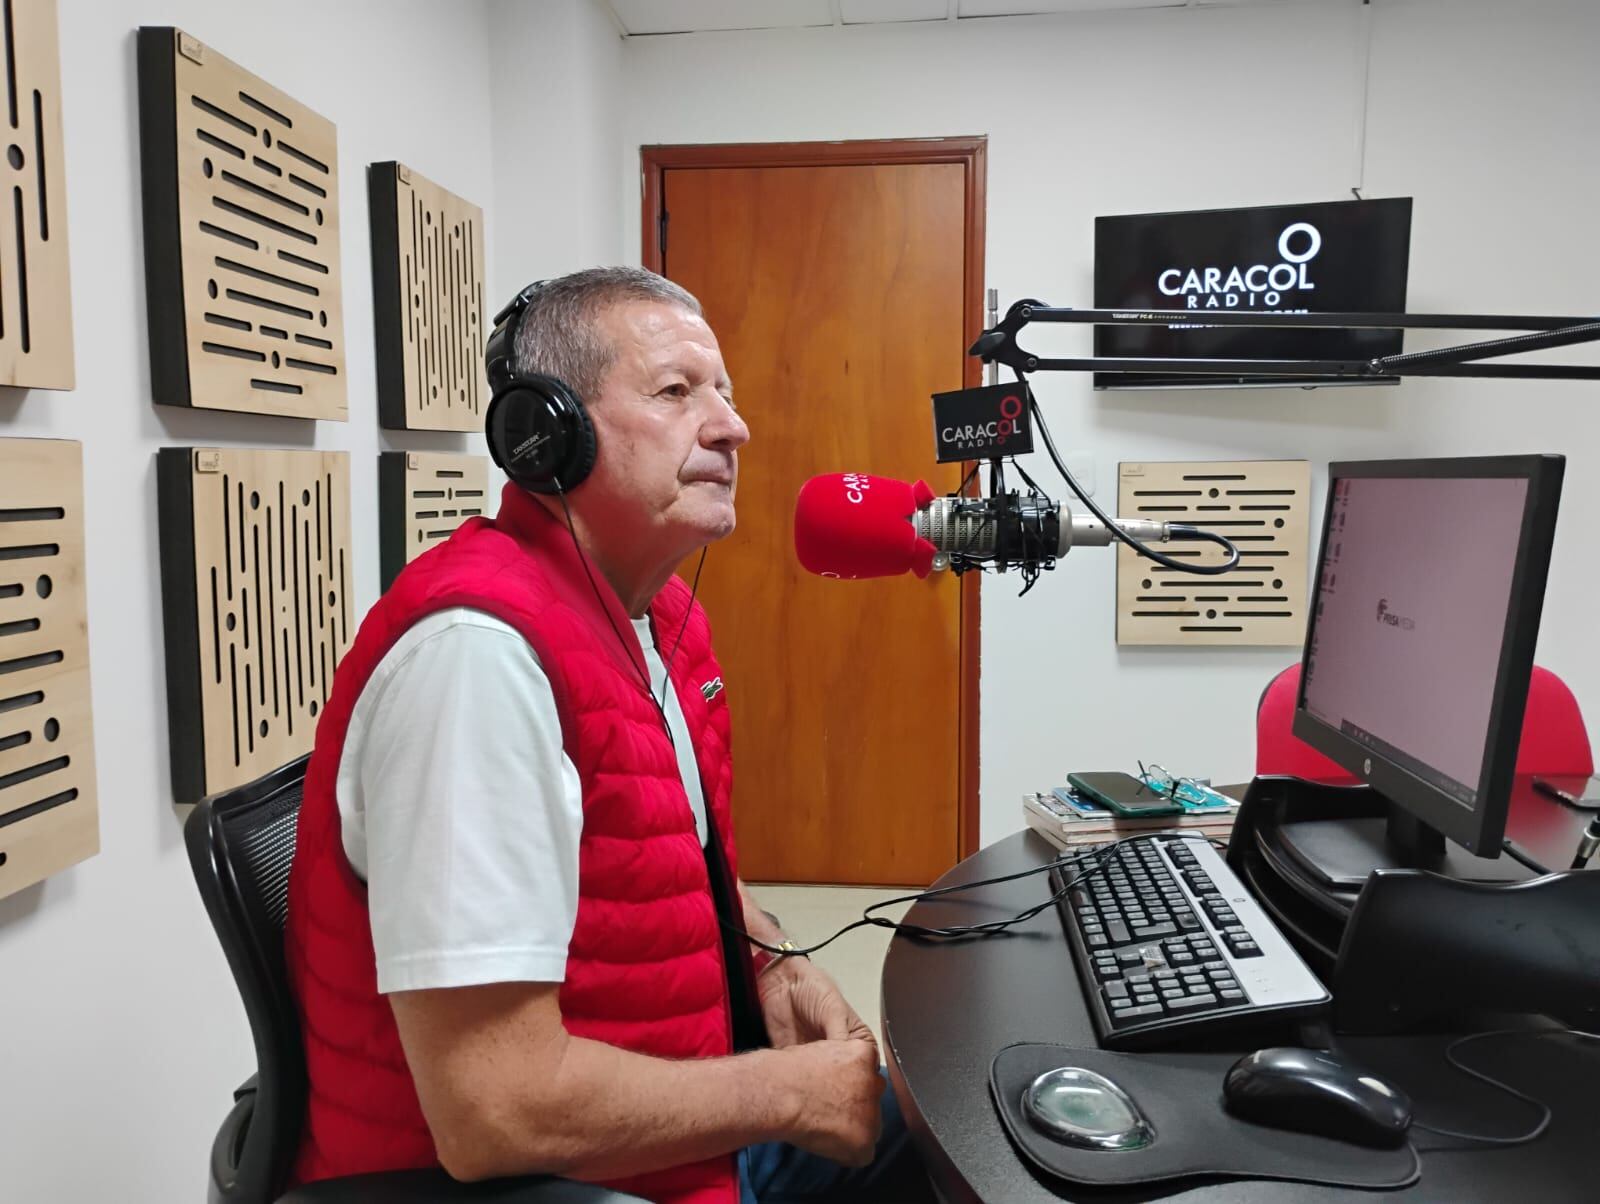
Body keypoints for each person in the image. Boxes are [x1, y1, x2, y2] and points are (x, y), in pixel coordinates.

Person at [284, 267, 932, 1203]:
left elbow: (669, 866)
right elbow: (492, 1110)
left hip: (674, 1139)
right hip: (569, 1182)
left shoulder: (657, 615)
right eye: (677, 392)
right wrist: (779, 1092)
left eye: (727, 394)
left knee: (956, 1130)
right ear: (545, 433)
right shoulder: (479, 662)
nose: (731, 426)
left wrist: (773, 961)